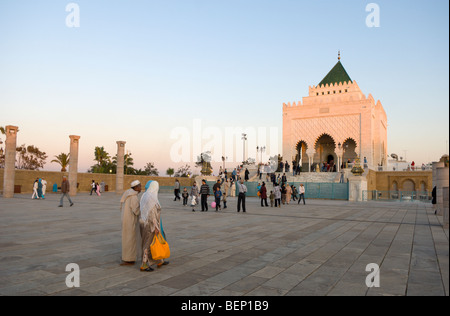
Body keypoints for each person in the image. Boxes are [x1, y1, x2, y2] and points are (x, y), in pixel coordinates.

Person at [139, 180, 169, 272]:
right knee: (148, 244)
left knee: (152, 243)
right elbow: (152, 214)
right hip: (150, 224)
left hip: (144, 222)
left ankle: (159, 260)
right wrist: (156, 227)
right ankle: (144, 264)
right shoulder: (151, 197)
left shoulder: (145, 195)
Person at [119, 180, 142, 266]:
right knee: (130, 240)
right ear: (136, 187)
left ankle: (127, 258)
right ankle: (129, 259)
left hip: (125, 220)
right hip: (130, 221)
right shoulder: (133, 197)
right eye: (140, 186)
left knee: (127, 239)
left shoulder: (128, 193)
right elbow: (136, 210)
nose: (141, 188)